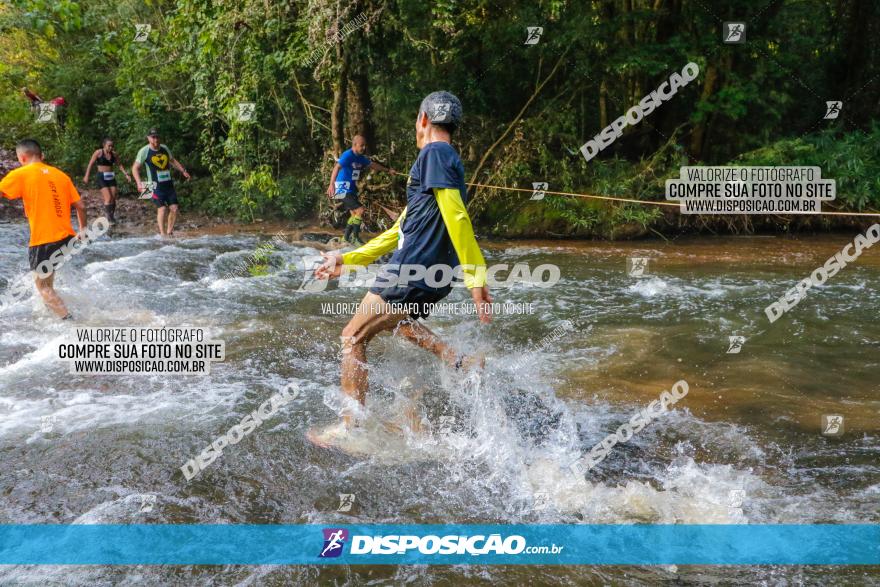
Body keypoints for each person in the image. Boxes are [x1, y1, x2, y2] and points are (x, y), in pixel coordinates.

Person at [307, 91, 492, 447]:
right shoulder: (441, 163)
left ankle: (350, 429)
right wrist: (345, 259)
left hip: (413, 269)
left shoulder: (435, 153)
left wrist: (477, 279)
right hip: (434, 275)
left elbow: (456, 216)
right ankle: (456, 360)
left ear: (423, 119)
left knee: (353, 336)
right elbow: (397, 231)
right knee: (399, 324)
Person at [0, 139, 87, 319]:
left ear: (22, 158)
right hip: (67, 239)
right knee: (47, 283)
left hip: (44, 240)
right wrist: (83, 229)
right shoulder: (61, 175)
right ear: (41, 155)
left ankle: (70, 322)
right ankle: (52, 316)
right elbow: (81, 206)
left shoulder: (21, 173)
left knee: (42, 286)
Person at [326, 135, 396, 245]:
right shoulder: (348, 155)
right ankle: (355, 237)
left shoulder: (361, 158)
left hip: (351, 189)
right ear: (354, 145)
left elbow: (373, 165)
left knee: (354, 213)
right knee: (360, 210)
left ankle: (346, 238)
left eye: (364, 145)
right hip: (342, 188)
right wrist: (331, 184)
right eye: (361, 145)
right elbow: (336, 167)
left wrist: (388, 170)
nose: (364, 148)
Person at [132, 128, 190, 237]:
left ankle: (169, 232)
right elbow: (134, 168)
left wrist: (183, 171)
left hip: (168, 184)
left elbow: (172, 160)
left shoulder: (164, 148)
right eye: (153, 137)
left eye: (157, 137)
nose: (156, 139)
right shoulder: (144, 151)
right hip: (151, 186)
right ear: (148, 138)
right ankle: (162, 235)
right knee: (162, 208)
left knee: (174, 208)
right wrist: (139, 183)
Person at [84, 138, 131, 224]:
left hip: (111, 177)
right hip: (101, 177)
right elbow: (90, 164)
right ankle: (109, 218)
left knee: (113, 198)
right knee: (108, 198)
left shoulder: (114, 154)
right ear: (104, 145)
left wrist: (126, 174)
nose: (111, 147)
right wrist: (86, 176)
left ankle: (112, 216)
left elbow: (119, 165)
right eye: (109, 146)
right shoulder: (98, 152)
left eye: (112, 146)